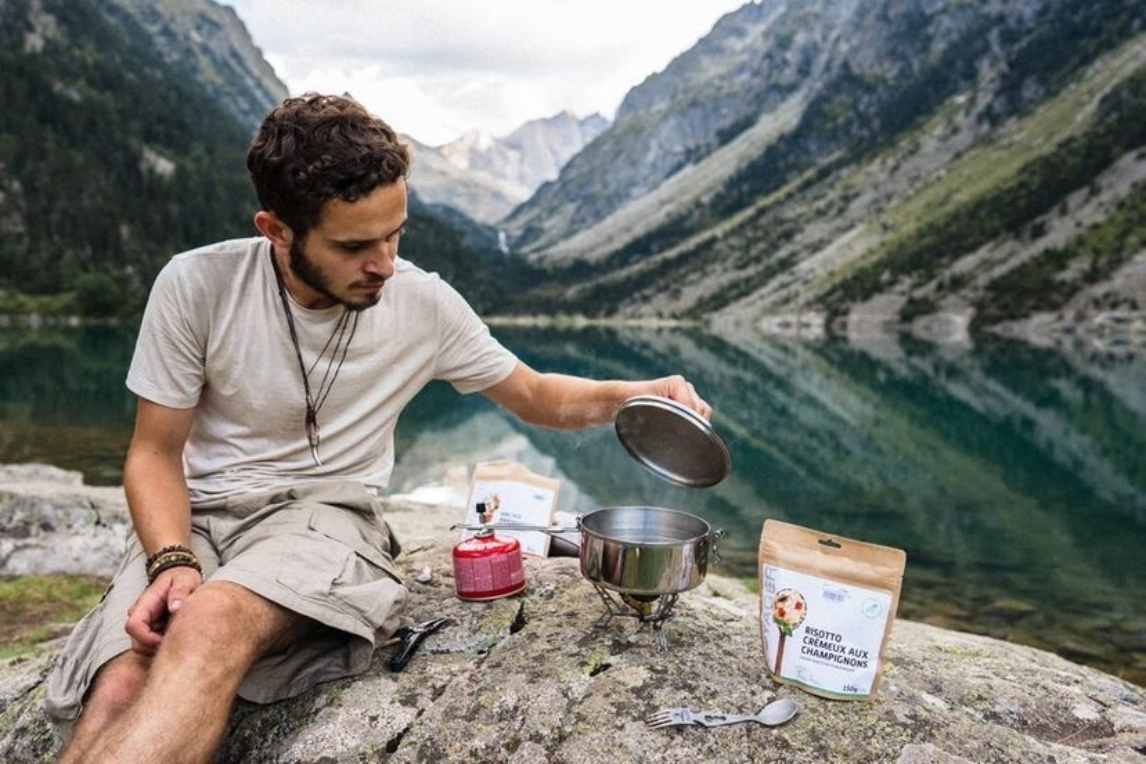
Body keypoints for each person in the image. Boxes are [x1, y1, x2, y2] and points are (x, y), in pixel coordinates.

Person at [43, 92, 712, 762]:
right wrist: (172, 558)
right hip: (197, 519)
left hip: (324, 519)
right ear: (276, 229)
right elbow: (155, 454)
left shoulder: (421, 302)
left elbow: (537, 396)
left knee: (211, 623)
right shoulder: (195, 285)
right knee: (124, 680)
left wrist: (635, 394)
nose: (385, 265)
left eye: (395, 235)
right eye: (355, 245)